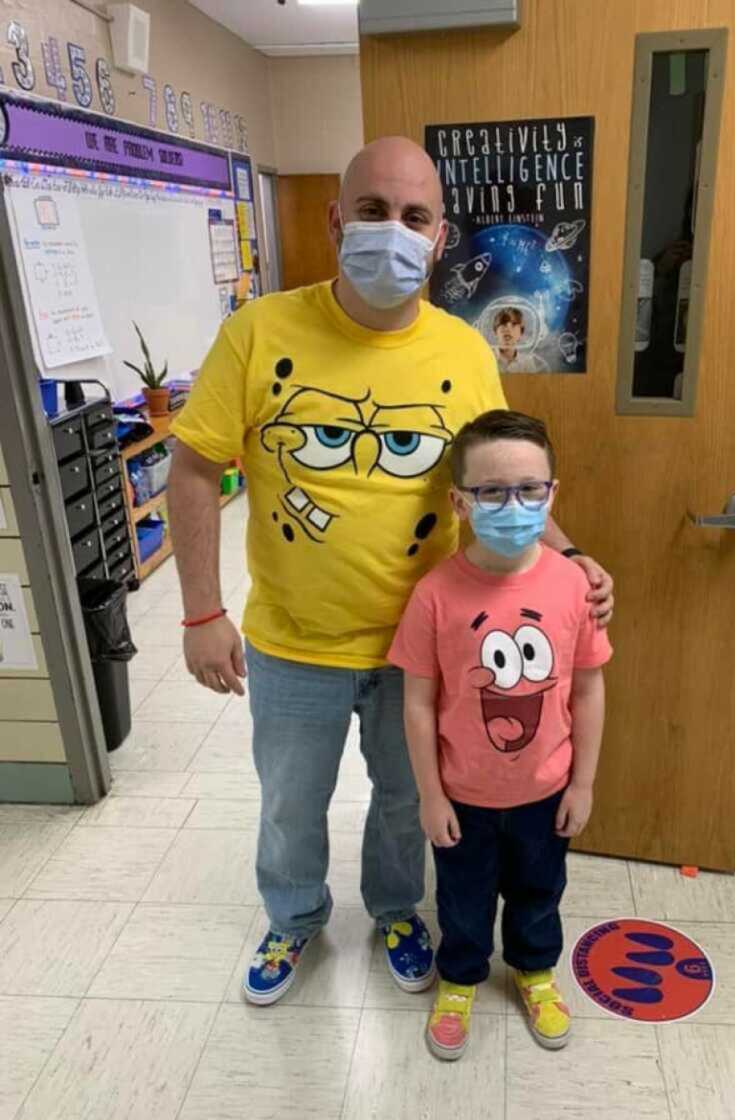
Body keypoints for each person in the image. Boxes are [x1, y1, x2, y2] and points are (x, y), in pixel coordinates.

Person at [167, 136, 614, 1007]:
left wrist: (572, 555)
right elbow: (192, 467)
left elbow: (501, 482)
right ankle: (294, 919)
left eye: (414, 217)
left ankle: (395, 911)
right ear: (337, 219)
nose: (393, 232)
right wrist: (200, 612)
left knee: (410, 803)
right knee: (292, 805)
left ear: (440, 236)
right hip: (295, 645)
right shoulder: (259, 332)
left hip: (430, 651)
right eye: (373, 211)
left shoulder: (462, 352)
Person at [389, 410, 611, 1059]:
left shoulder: (573, 585)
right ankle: (460, 979)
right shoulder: (434, 596)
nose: (513, 505)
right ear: (460, 502)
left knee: (540, 892)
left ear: (552, 494)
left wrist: (585, 783)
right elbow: (418, 704)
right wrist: (430, 795)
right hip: (463, 795)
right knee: (462, 899)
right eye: (491, 492)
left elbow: (591, 687)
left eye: (529, 490)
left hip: (547, 792)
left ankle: (535, 971)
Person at [492, 306, 548, 373]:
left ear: (520, 333)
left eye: (513, 325)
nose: (508, 329)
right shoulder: (486, 358)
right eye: (504, 325)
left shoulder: (527, 362)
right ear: (495, 332)